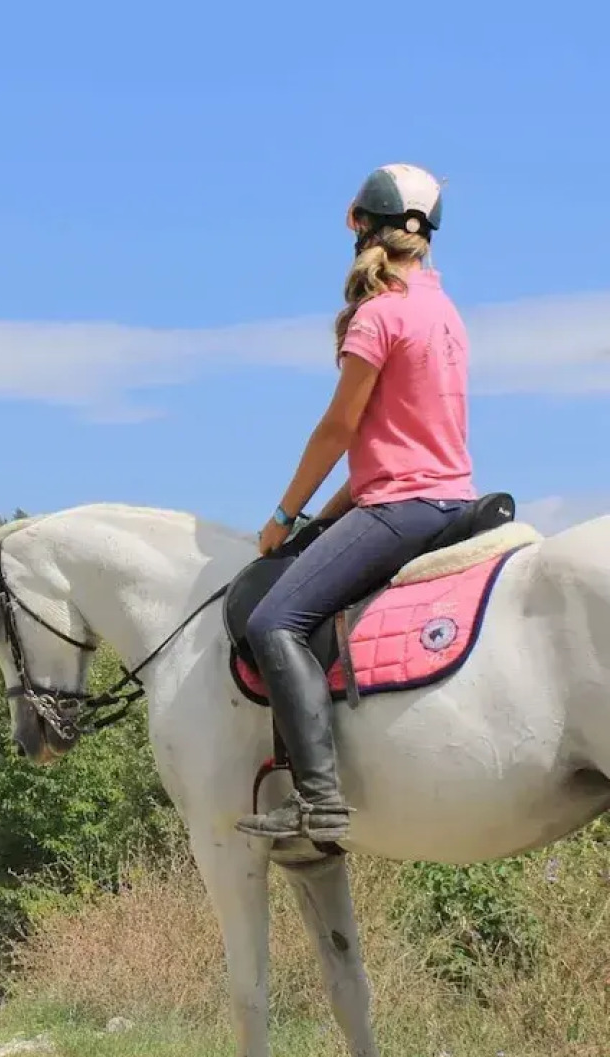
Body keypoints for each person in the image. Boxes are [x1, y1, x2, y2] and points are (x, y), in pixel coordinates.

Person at [234, 163, 475, 843]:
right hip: (449, 499)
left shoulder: (379, 315)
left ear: (359, 224)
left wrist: (283, 517)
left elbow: (339, 429)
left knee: (273, 620)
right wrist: (327, 517)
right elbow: (398, 441)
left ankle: (319, 800)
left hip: (403, 508)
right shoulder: (444, 311)